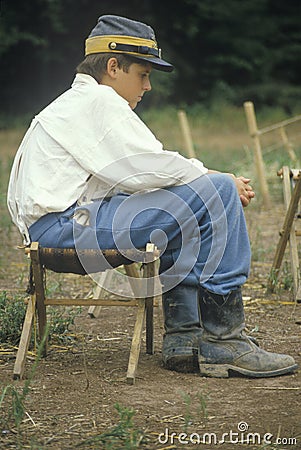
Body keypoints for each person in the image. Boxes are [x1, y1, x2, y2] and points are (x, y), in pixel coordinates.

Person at [7, 14, 297, 378]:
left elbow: (145, 176)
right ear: (113, 66)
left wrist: (200, 181)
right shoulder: (97, 100)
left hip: (61, 227)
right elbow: (151, 165)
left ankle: (185, 337)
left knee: (187, 200)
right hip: (67, 229)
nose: (148, 87)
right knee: (217, 191)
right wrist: (217, 178)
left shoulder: (75, 103)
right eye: (142, 74)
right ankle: (224, 340)